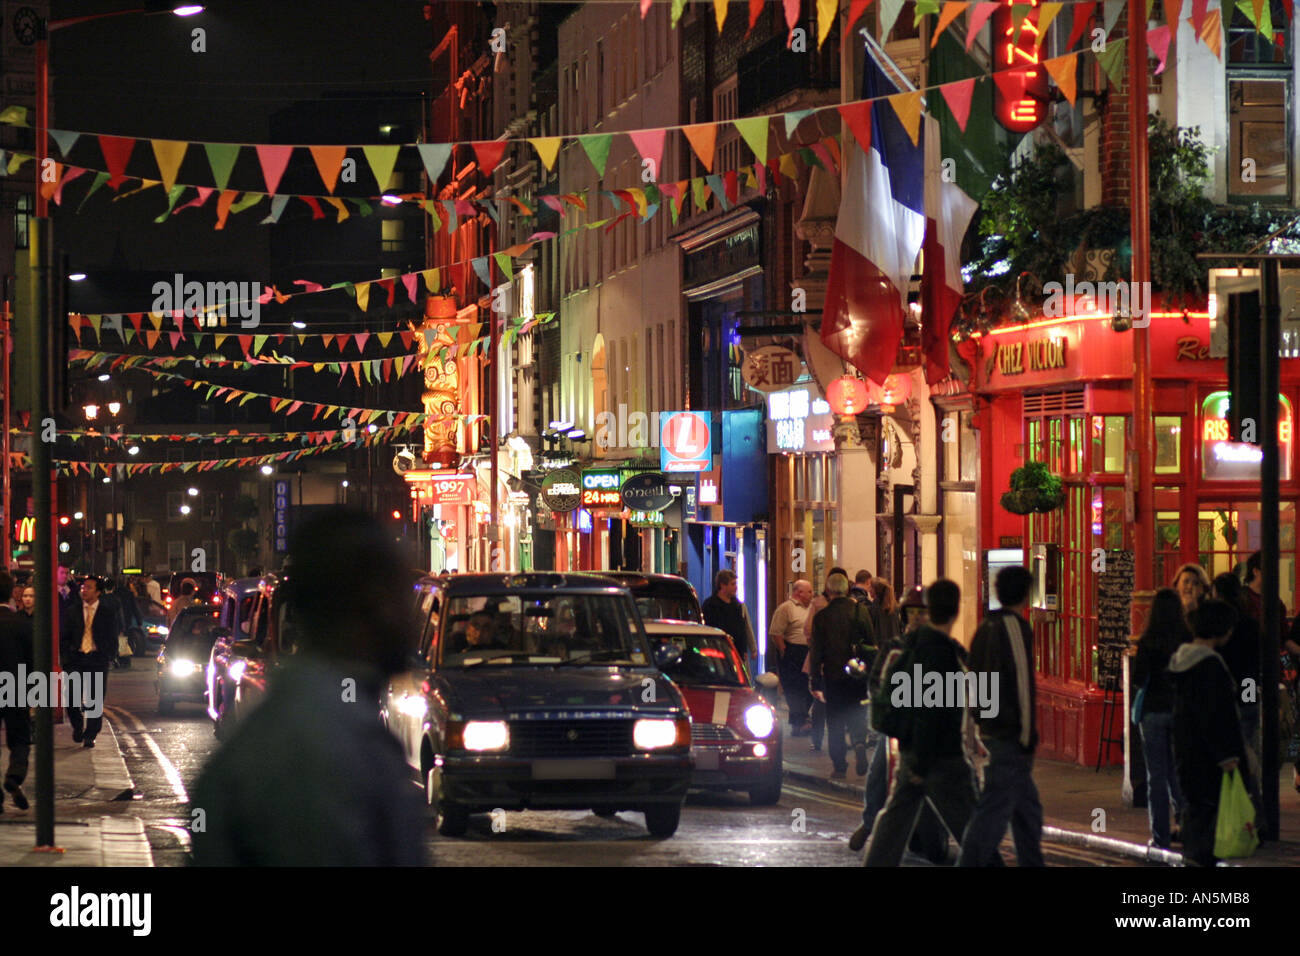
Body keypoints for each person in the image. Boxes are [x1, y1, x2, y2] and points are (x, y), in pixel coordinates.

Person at [191, 507, 426, 865]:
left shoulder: (323, 723)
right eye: (403, 598)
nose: (413, 620)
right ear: (369, 604)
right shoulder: (318, 751)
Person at [864, 580, 978, 867]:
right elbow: (877, 684)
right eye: (911, 612)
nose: (916, 617)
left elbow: (974, 684)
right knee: (879, 778)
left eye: (921, 611)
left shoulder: (948, 648)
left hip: (920, 746)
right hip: (925, 746)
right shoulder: (900, 647)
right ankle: (866, 822)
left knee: (895, 819)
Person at [959, 565, 1044, 867]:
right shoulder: (1015, 627)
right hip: (1010, 736)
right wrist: (1026, 735)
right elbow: (1022, 683)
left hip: (991, 730)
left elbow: (973, 684)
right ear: (1025, 594)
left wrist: (973, 728)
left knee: (1028, 814)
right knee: (992, 816)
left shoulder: (984, 629)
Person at [1170, 600, 1254, 867]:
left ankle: (1193, 856)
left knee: (1195, 809)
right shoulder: (1209, 666)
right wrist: (1227, 755)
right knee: (1209, 815)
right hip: (1211, 757)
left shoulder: (1182, 661)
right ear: (1220, 627)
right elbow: (1216, 715)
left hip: (1187, 750)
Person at [1128, 588, 1191, 850]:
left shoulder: (1148, 641)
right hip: (1178, 710)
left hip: (1152, 711)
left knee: (1156, 775)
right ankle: (1188, 825)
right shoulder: (1186, 639)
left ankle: (1160, 836)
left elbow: (1138, 680)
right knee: (1178, 772)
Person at [809, 572, 875, 780]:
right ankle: (859, 743)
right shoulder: (860, 611)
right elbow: (871, 643)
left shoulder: (822, 617)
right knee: (857, 712)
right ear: (847, 589)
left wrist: (815, 680)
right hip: (857, 675)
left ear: (828, 591)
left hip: (833, 676)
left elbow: (816, 651)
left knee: (835, 721)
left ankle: (839, 765)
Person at [58, 576, 116, 748]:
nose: (84, 590)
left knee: (95, 698)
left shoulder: (107, 612)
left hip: (97, 659)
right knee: (72, 698)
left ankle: (90, 734)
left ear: (98, 592)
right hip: (76, 658)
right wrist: (66, 657)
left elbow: (112, 636)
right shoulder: (73, 610)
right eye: (83, 587)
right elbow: (65, 637)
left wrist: (107, 655)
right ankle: (77, 726)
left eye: (89, 588)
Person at [802, 567, 849, 752]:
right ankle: (825, 739)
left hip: (824, 661)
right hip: (837, 662)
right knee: (830, 704)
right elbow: (809, 629)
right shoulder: (848, 607)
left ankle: (824, 739)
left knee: (823, 703)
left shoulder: (820, 604)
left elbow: (808, 630)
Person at [0, 570, 33, 812]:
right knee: (21, 737)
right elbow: (33, 662)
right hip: (15, 687)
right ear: (12, 594)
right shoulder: (22, 624)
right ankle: (15, 774)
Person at [769, 579, 814, 735]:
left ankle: (799, 721)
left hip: (808, 652)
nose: (812, 594)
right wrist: (784, 651)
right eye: (809, 591)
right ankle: (800, 721)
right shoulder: (786, 608)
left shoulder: (812, 608)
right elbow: (776, 632)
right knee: (794, 688)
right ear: (799, 592)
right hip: (792, 652)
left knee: (808, 689)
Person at [701, 569, 756, 674]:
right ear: (722, 585)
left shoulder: (738, 605)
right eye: (733, 584)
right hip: (718, 653)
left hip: (738, 653)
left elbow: (745, 628)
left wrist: (749, 648)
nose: (736, 587)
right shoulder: (710, 606)